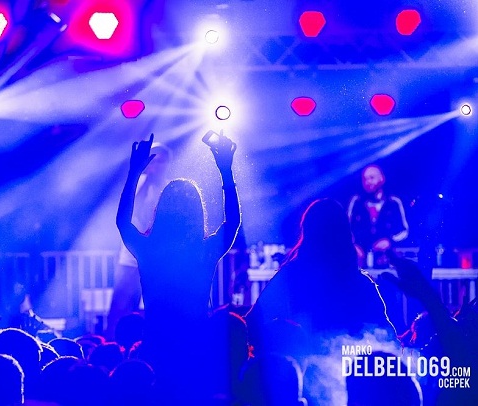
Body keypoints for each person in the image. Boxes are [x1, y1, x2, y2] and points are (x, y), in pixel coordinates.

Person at [116, 133, 241, 402]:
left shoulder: (149, 250)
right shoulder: (204, 251)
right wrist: (225, 171)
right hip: (196, 344)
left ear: (161, 210)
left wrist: (134, 173)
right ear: (198, 212)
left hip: (156, 343)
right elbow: (232, 222)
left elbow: (123, 223)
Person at [245, 199, 395, 352]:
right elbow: (385, 337)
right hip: (348, 363)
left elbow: (251, 325)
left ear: (307, 233)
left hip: (302, 362)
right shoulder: (361, 284)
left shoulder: (289, 277)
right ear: (346, 235)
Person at [106, 142, 172, 339]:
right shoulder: (135, 184)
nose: (156, 165)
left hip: (157, 258)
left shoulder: (169, 188)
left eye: (161, 161)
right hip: (131, 255)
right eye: (154, 161)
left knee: (157, 305)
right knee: (121, 306)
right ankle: (116, 342)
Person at [348, 164, 409, 268]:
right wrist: (354, 246)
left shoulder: (394, 202)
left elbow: (405, 230)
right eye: (365, 179)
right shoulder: (356, 202)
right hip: (360, 260)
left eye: (371, 178)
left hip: (386, 259)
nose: (368, 182)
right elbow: (346, 229)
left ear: (381, 178)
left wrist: (390, 241)